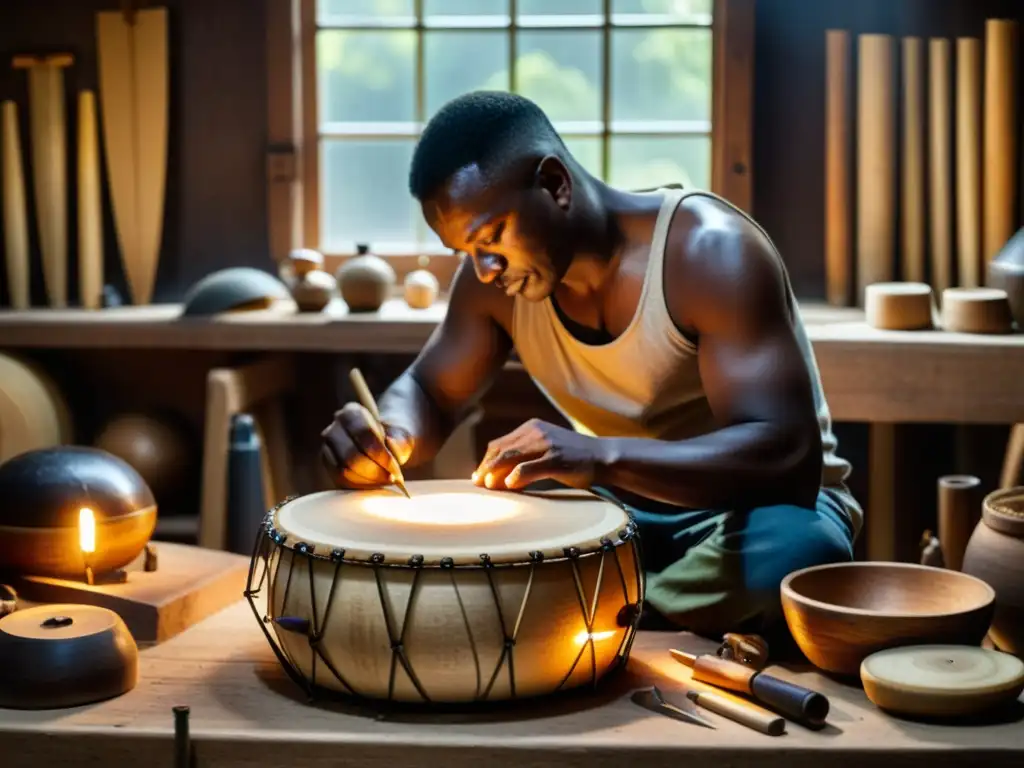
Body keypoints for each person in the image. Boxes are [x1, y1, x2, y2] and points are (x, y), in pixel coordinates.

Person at [321, 91, 860, 640]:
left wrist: (600, 455)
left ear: (555, 185)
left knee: (795, 556)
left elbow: (787, 456)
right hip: (623, 508)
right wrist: (389, 431)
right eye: (465, 251)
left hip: (759, 509)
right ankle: (631, 609)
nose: (484, 270)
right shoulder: (495, 287)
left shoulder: (708, 252)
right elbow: (429, 391)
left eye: (491, 238)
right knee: (493, 519)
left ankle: (586, 609)